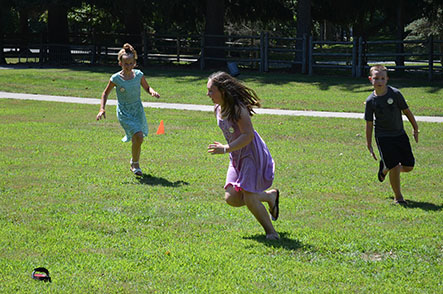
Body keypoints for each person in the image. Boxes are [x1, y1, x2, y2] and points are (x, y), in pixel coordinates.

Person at [206, 71, 280, 240]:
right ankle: (270, 196)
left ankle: (271, 232)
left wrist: (225, 148)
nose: (208, 94)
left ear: (222, 91)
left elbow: (248, 135)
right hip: (236, 155)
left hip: (250, 154)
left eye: (211, 91)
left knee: (248, 195)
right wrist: (227, 148)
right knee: (231, 197)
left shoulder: (238, 109)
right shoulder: (217, 108)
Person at [96, 43, 160, 176]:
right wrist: (102, 109)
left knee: (139, 138)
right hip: (124, 112)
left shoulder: (138, 75)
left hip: (137, 110)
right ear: (120, 63)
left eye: (131, 63)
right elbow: (105, 93)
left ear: (135, 63)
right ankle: (135, 165)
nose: (128, 66)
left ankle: (134, 162)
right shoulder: (116, 78)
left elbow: (147, 88)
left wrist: (152, 92)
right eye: (126, 64)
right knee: (138, 135)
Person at [364, 65, 419, 205]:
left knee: (408, 166)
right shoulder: (371, 101)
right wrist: (369, 144)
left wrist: (415, 128)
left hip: (399, 135)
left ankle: (385, 168)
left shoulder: (395, 94)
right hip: (383, 137)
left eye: (382, 78)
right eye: (376, 78)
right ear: (371, 79)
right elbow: (369, 123)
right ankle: (398, 198)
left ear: (387, 79)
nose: (379, 81)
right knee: (395, 165)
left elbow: (407, 111)